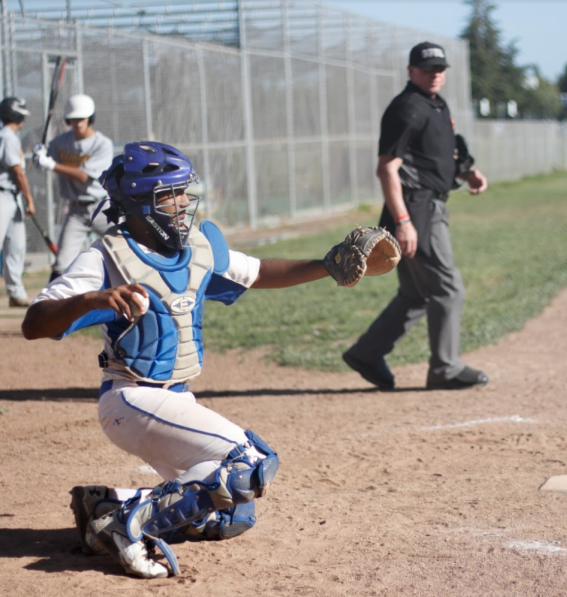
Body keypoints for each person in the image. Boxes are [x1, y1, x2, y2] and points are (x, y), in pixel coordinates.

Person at [21, 141, 347, 579]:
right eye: (166, 195)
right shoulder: (105, 256)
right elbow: (34, 322)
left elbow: (259, 273)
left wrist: (328, 264)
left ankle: (107, 504)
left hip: (177, 400)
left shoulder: (196, 249)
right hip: (132, 399)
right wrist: (93, 298)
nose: (180, 203)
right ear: (137, 202)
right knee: (249, 464)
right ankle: (129, 528)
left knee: (234, 514)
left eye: (182, 192)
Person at [341, 41, 489, 391]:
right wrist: (404, 222)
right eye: (427, 69)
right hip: (416, 210)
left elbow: (436, 155)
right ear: (411, 71)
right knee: (447, 288)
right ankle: (445, 369)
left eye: (440, 69)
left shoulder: (433, 104)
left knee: (416, 294)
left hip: (423, 206)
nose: (435, 74)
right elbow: (387, 169)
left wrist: (468, 172)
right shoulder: (407, 108)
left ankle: (366, 353)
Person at [32, 93, 113, 282]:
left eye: (81, 118)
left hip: (103, 208)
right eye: (73, 119)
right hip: (76, 210)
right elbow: (44, 160)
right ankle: (50, 306)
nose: (77, 123)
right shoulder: (61, 142)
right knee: (61, 263)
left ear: (90, 118)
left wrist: (51, 164)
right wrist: (39, 155)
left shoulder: (102, 144)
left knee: (127, 249)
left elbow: (84, 176)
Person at [0, 96, 36, 307]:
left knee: (16, 246)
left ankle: (16, 293)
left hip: (11, 197)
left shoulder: (8, 136)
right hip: (4, 195)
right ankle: (15, 292)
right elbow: (17, 172)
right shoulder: (8, 137)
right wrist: (29, 199)